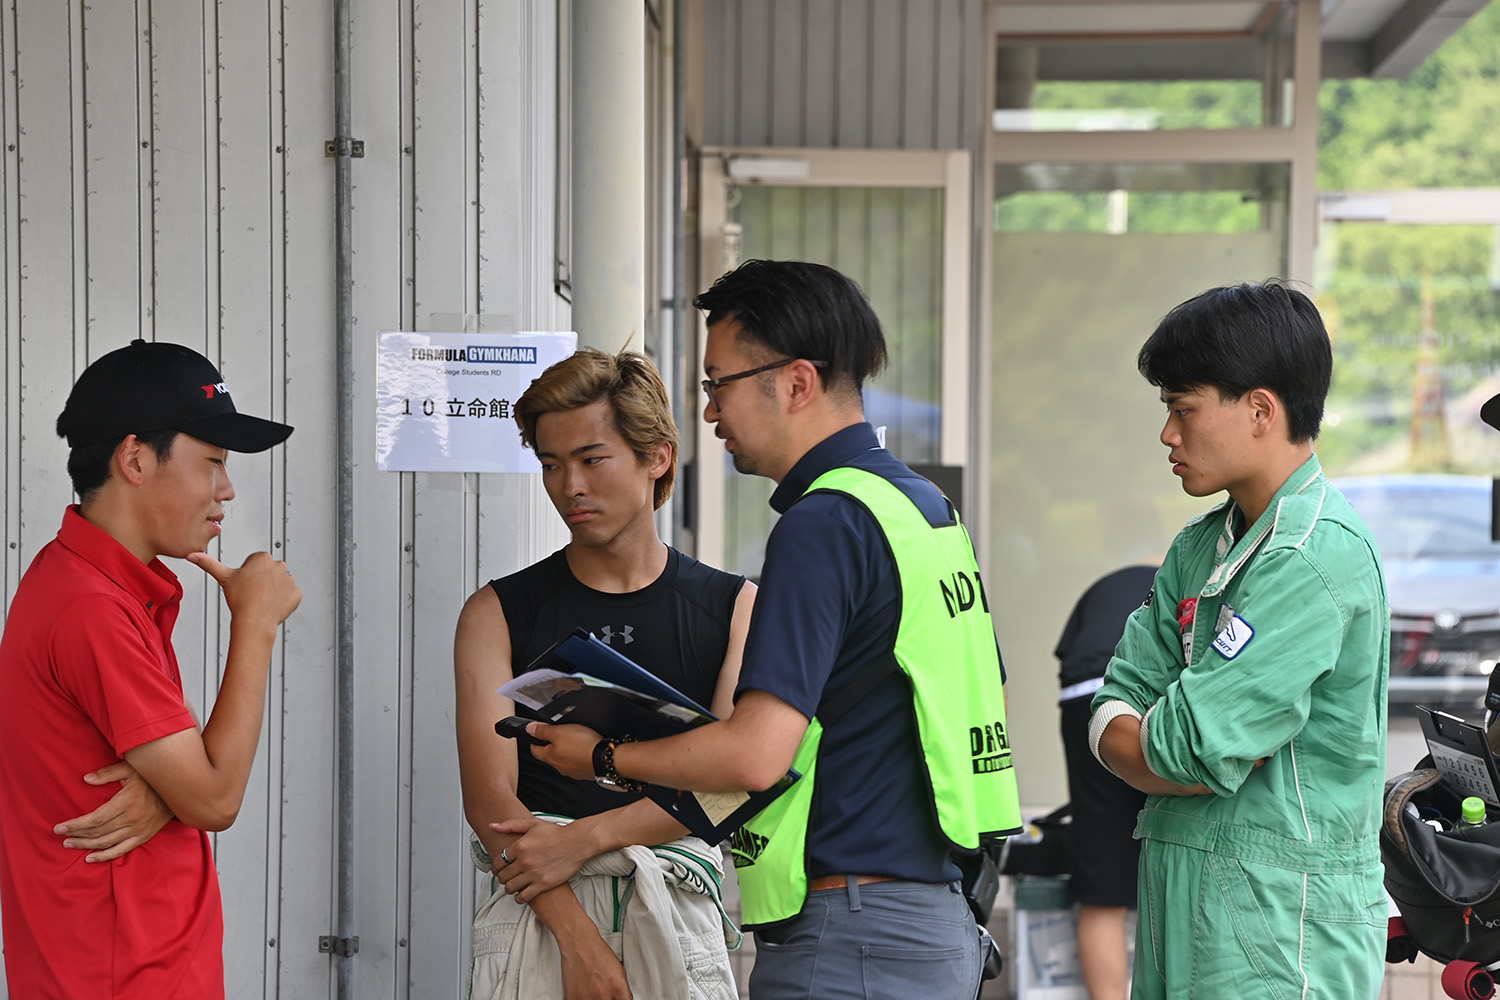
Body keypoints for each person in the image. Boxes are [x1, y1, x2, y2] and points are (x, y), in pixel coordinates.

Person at [526, 259, 1021, 1000]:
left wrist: (604, 753)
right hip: (935, 920)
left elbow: (757, 756)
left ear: (796, 382)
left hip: (853, 934)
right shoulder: (921, 509)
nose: (709, 413)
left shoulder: (824, 523)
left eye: (717, 384)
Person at [1089, 282, 1389, 998]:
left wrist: (1160, 736)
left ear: (1260, 409)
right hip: (1186, 919)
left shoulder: (1313, 557)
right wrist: (1150, 734)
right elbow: (1116, 706)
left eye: (1182, 410)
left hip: (1281, 939)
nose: (1168, 435)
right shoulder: (1201, 546)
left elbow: (1189, 748)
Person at [0, 338, 302, 999]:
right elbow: (215, 798)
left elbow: (190, 784)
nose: (225, 491)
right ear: (134, 458)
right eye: (213, 463)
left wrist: (170, 790)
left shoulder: (93, 587)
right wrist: (255, 622)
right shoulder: (90, 609)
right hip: (121, 978)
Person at [453, 348, 754, 1000]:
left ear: (658, 457)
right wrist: (578, 938)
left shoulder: (736, 608)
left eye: (592, 459)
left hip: (674, 901)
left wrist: (584, 839)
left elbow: (732, 787)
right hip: (537, 913)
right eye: (551, 464)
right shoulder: (497, 610)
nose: (570, 486)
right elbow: (488, 802)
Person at [1055, 564, 1155, 1000]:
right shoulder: (1194, 574)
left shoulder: (1105, 585)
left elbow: (1066, 654)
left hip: (1085, 700)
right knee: (1192, 857)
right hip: (1154, 698)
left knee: (1103, 889)